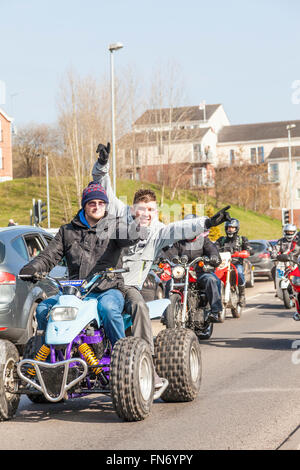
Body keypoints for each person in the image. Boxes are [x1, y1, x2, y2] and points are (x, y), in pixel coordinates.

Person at [92, 143, 231, 386]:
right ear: (132, 209)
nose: (146, 213)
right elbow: (103, 189)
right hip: (99, 282)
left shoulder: (158, 231)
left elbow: (179, 228)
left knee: (140, 308)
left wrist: (207, 222)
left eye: (151, 210)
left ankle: (146, 364)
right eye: (141, 209)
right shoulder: (117, 214)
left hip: (128, 286)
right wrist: (103, 165)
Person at [19, 182, 145, 350]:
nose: (97, 206)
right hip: (75, 293)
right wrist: (33, 268)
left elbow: (129, 237)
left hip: (107, 289)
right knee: (43, 308)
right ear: (85, 205)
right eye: (92, 203)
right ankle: (45, 357)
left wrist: (136, 224)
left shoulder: (115, 226)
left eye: (101, 203)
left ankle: (121, 354)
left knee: (108, 309)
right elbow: (49, 256)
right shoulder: (67, 231)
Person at [160, 214, 222, 323]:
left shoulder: (204, 241)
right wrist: (162, 258)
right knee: (169, 283)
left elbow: (213, 252)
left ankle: (215, 311)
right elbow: (170, 253)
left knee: (210, 280)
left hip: (200, 272)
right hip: (183, 273)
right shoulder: (179, 242)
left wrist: (213, 258)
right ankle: (167, 314)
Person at [215, 218, 251, 307]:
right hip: (222, 265)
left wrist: (242, 253)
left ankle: (242, 295)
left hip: (236, 263)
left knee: (239, 272)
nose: (230, 229)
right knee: (213, 276)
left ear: (236, 228)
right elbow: (214, 248)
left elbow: (248, 250)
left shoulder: (242, 239)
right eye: (228, 228)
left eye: (232, 228)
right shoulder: (221, 240)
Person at [271, 223, 298, 288]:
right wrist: (274, 255)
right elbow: (275, 249)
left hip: (296, 261)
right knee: (273, 270)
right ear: (284, 232)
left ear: (295, 232)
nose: (289, 233)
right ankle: (277, 287)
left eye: (291, 232)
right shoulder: (280, 241)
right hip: (283, 261)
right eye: (287, 232)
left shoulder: (298, 241)